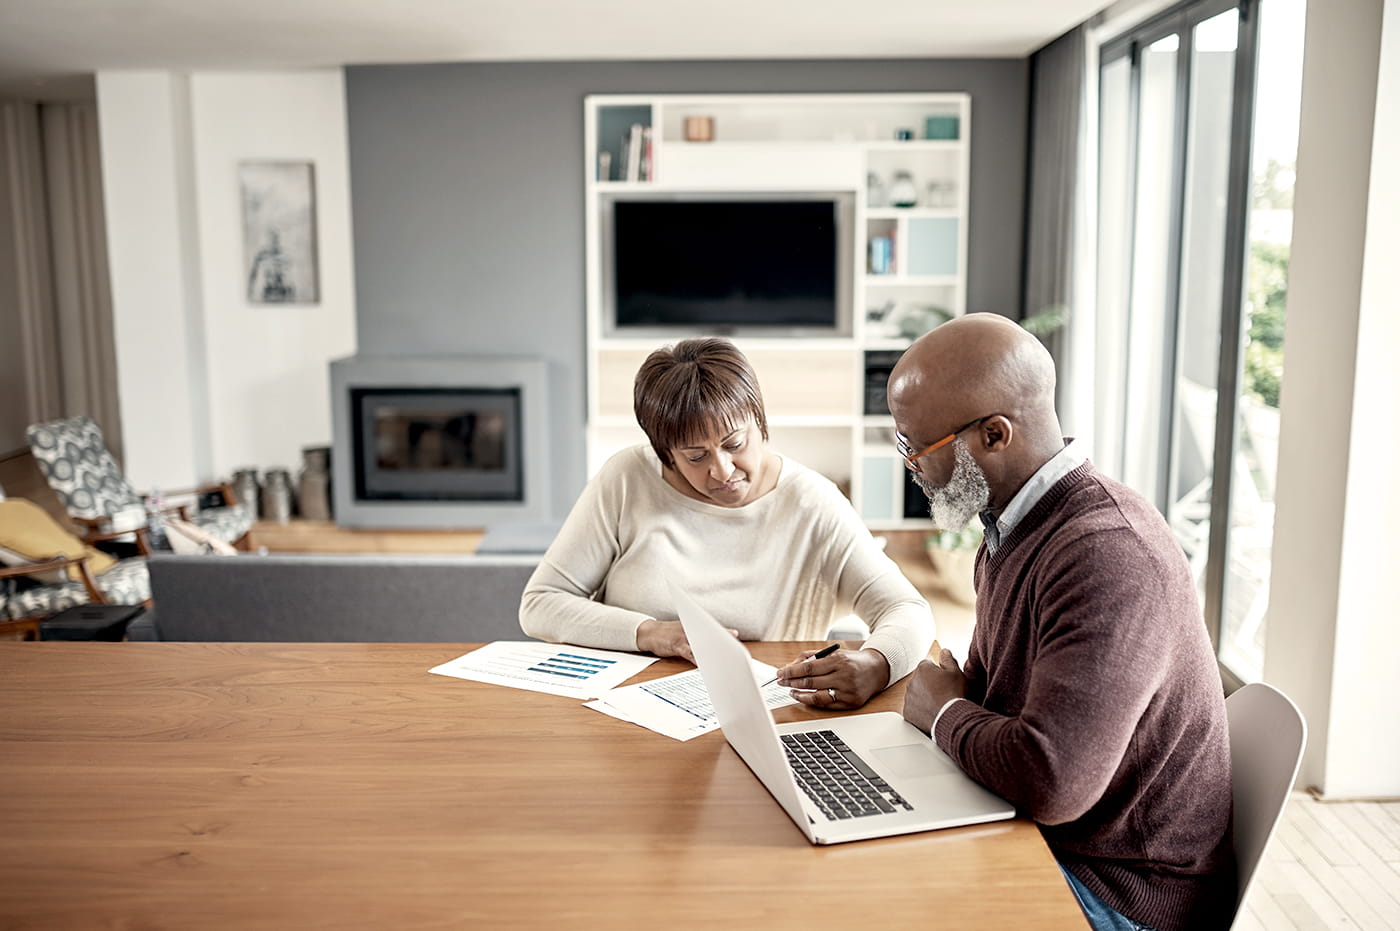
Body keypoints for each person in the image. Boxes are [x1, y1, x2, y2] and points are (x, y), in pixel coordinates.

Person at [886, 313, 1234, 931]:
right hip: (1048, 840)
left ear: (994, 434)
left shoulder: (1106, 555)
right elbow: (993, 700)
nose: (910, 463)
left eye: (917, 445)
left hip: (1117, 894)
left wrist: (942, 714)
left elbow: (1052, 781)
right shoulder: (1012, 529)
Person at [520, 337, 934, 708]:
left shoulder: (812, 503)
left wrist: (876, 663)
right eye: (695, 457)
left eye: (735, 444)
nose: (722, 471)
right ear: (665, 453)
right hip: (620, 709)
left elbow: (907, 608)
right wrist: (652, 633)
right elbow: (540, 605)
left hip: (764, 714)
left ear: (760, 421)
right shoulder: (627, 478)